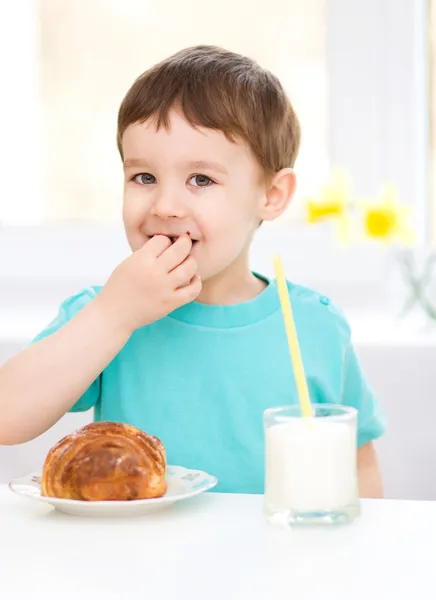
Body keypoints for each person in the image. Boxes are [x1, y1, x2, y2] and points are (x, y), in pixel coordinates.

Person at [0, 45, 385, 496]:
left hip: (275, 562)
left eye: (201, 180)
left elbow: (357, 461)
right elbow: (7, 417)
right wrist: (114, 315)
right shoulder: (105, 314)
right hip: (137, 561)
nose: (164, 206)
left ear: (272, 195)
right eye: (144, 177)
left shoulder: (314, 323)